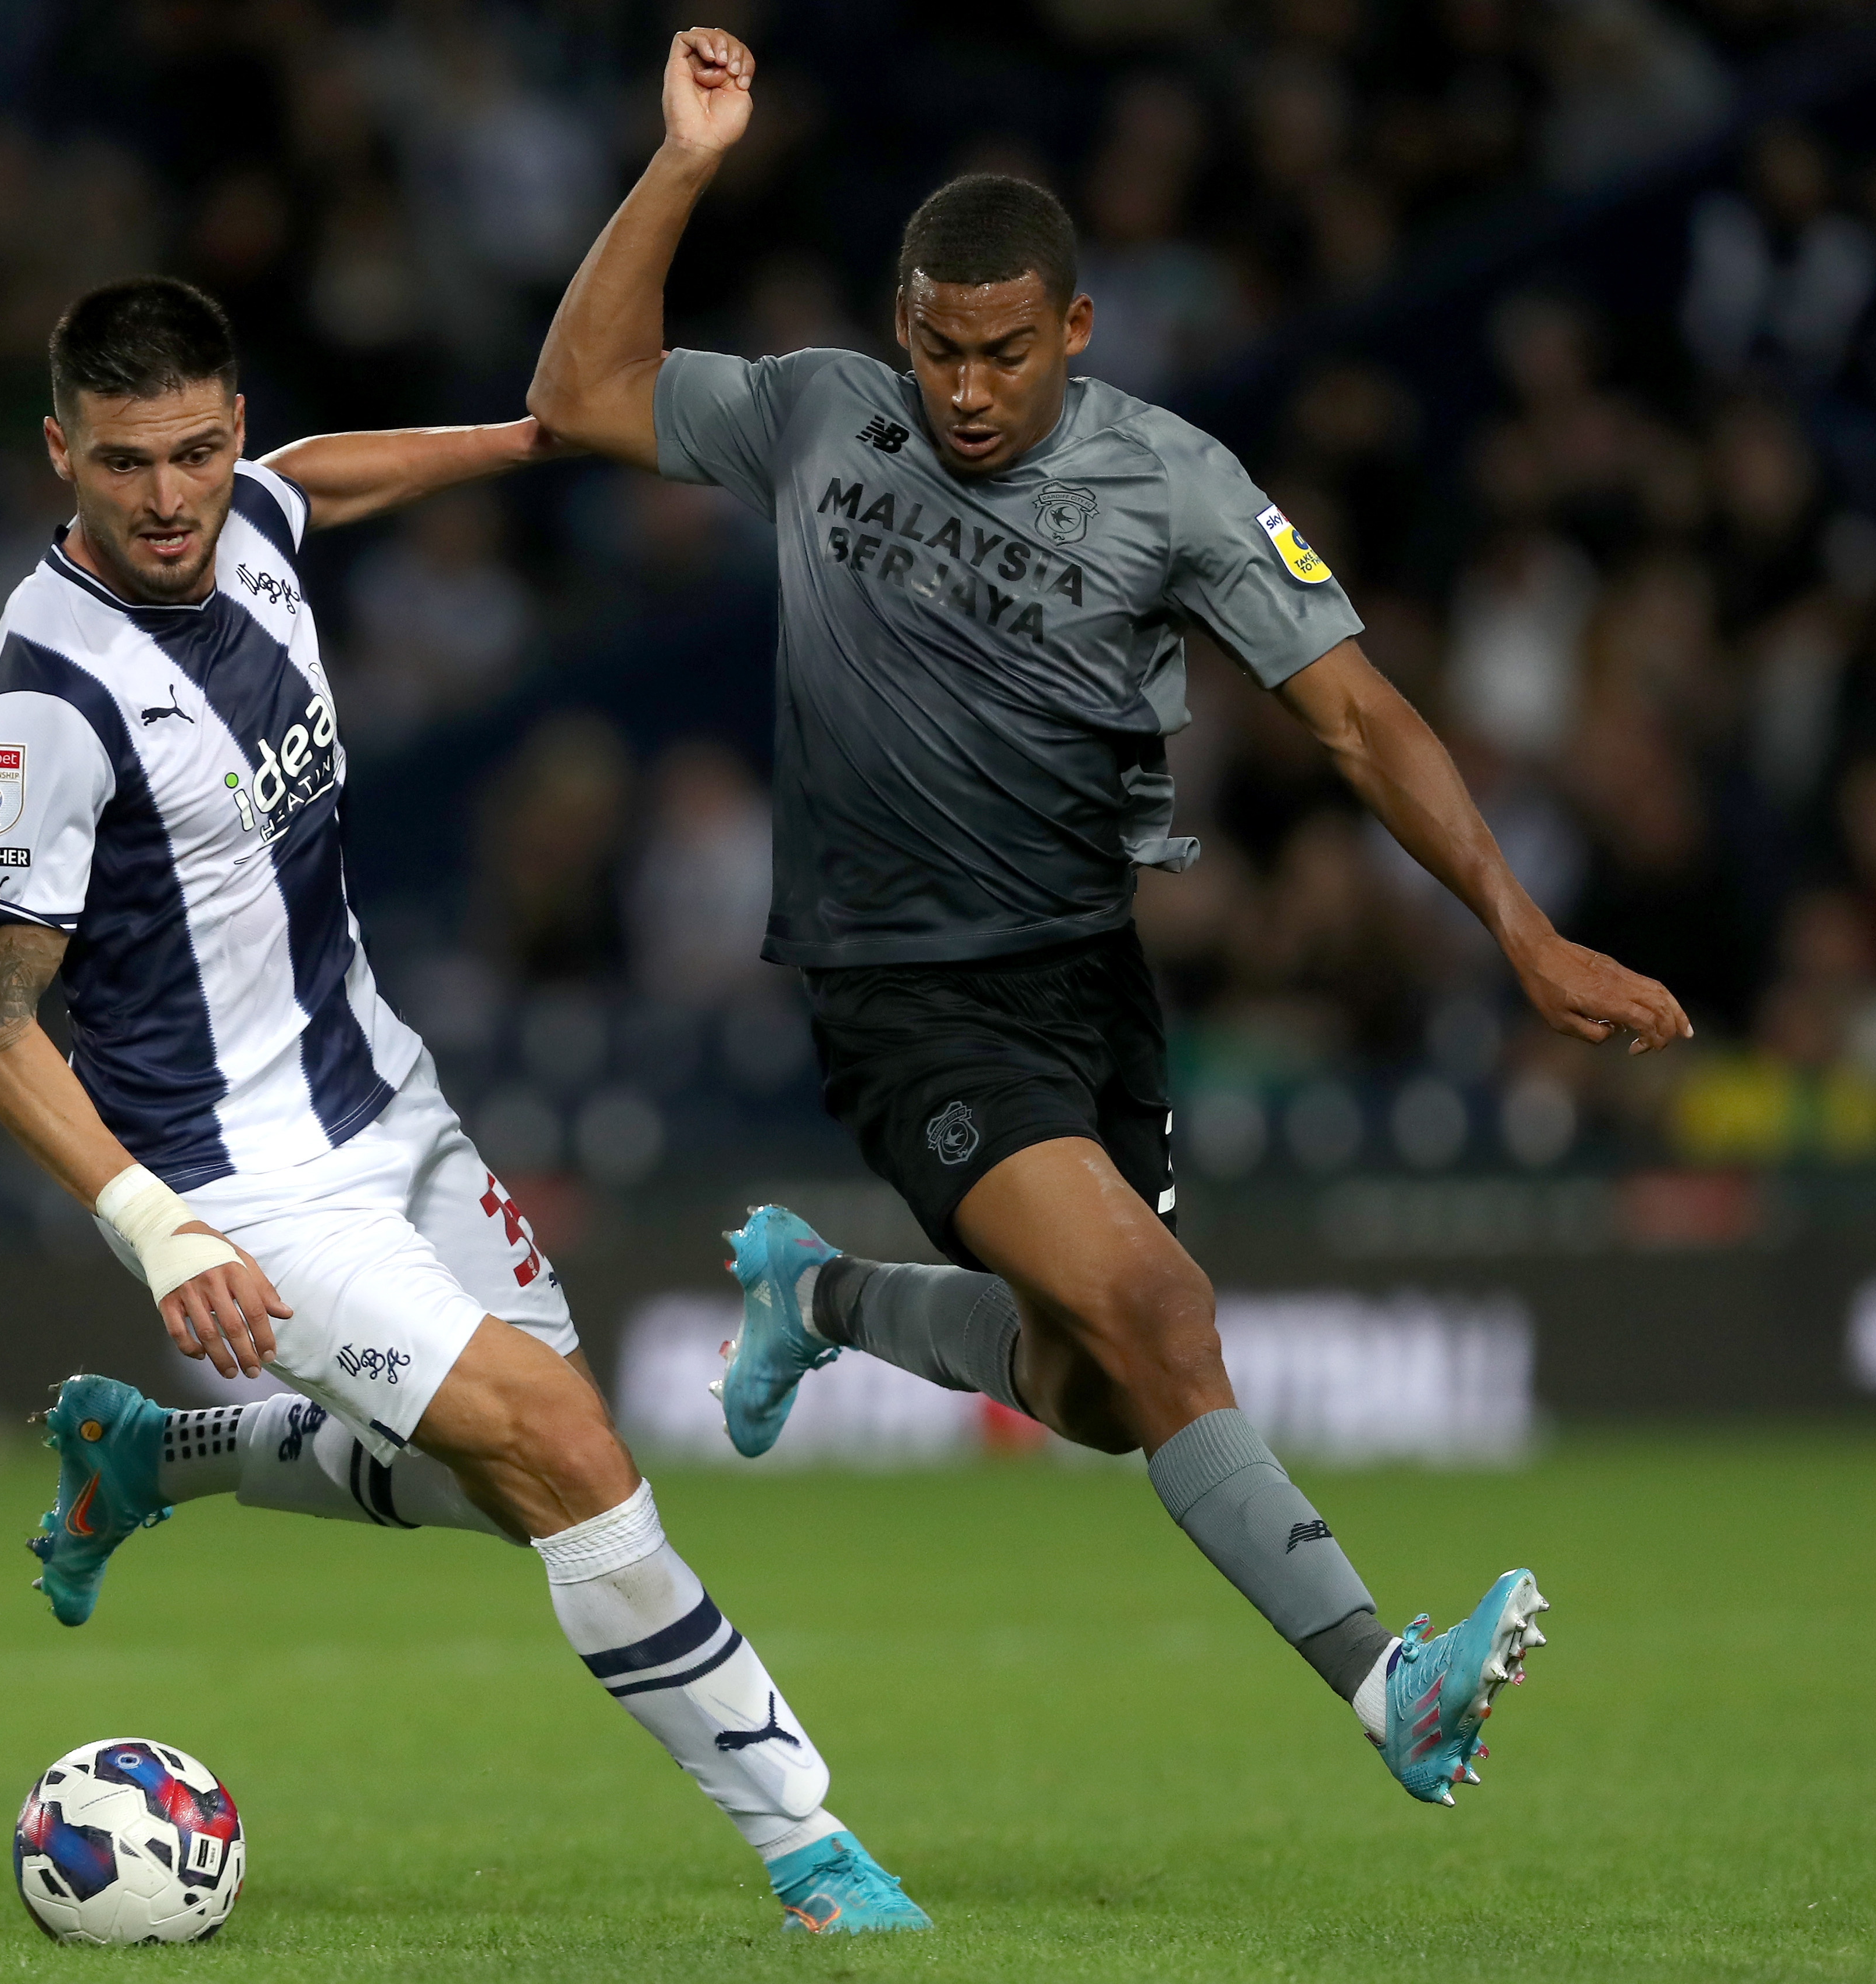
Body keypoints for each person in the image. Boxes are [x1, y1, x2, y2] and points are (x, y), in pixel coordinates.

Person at [528, 28, 1689, 1808]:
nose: (966, 388)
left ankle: (813, 1297)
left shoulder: (1180, 487)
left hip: (1085, 981)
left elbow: (1360, 716)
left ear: (1076, 330)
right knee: (1161, 1312)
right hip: (902, 993)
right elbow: (583, 388)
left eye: (1004, 352)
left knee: (1096, 1390)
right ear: (898, 321)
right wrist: (684, 165)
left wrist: (1518, 929)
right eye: (937, 346)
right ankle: (1391, 1681)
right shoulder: (819, 412)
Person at [0, 277, 928, 1935]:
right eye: (123, 466)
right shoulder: (46, 700)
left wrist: (531, 437)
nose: (169, 500)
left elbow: (317, 482)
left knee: (505, 1484)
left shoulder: (246, 519)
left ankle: (152, 1461)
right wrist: (158, 1231)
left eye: (193, 452)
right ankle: (811, 1848)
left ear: (230, 426)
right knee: (566, 1451)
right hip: (239, 1189)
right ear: (62, 454)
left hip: (385, 1097)